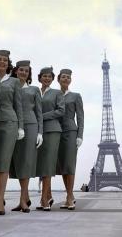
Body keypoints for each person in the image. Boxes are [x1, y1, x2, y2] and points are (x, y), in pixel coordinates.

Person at [0, 50, 24, 215]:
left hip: (9, 124)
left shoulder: (14, 82)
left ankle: (0, 202)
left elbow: (18, 105)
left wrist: (21, 126)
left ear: (8, 64)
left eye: (5, 60)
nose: (2, 62)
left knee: (4, 162)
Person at [10, 60, 43, 213]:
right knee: (17, 162)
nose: (23, 72)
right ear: (16, 71)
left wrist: (40, 132)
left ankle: (23, 201)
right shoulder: (10, 86)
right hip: (14, 125)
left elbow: (39, 112)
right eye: (21, 70)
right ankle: (25, 198)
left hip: (30, 126)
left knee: (26, 162)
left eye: (26, 70)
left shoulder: (34, 90)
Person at [36, 67, 65, 211]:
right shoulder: (35, 92)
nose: (47, 78)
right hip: (37, 131)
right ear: (39, 77)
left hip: (52, 130)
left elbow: (61, 111)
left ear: (52, 79)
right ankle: (48, 195)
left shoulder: (57, 93)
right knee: (41, 164)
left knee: (48, 163)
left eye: (49, 76)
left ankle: (43, 198)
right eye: (44, 76)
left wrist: (42, 116)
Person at [56, 69, 84, 210]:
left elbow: (80, 116)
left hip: (71, 132)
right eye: (63, 77)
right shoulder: (54, 95)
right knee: (62, 166)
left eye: (68, 77)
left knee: (70, 164)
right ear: (58, 79)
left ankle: (69, 196)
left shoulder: (75, 96)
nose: (66, 79)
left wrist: (80, 135)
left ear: (70, 80)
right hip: (56, 133)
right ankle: (70, 195)